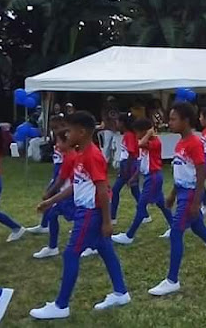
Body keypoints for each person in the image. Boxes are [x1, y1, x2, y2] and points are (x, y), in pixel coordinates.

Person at [30, 111, 131, 320]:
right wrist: (51, 200)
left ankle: (61, 305)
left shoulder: (92, 156)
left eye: (69, 130)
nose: (66, 135)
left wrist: (106, 220)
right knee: (106, 250)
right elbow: (76, 186)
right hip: (86, 211)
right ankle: (121, 293)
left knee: (70, 254)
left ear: (82, 132)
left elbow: (102, 190)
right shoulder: (80, 154)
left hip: (89, 214)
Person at [148, 102, 206, 297]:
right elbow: (181, 173)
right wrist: (172, 195)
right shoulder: (180, 144)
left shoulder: (194, 143)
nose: (169, 123)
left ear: (186, 121)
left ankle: (172, 280)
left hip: (190, 195)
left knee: (176, 233)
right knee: (198, 228)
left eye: (173, 119)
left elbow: (200, 172)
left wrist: (196, 201)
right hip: (183, 192)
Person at [112, 119, 174, 245]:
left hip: (154, 177)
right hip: (149, 176)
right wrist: (135, 176)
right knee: (161, 204)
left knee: (141, 206)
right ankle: (174, 227)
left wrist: (149, 133)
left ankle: (129, 235)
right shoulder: (146, 142)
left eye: (138, 132)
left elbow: (140, 144)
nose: (136, 135)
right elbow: (141, 160)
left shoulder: (155, 142)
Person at [32, 130, 77, 259]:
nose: (56, 145)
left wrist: (49, 192)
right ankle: (52, 247)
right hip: (67, 192)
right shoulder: (69, 155)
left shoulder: (70, 157)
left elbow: (61, 179)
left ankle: (92, 244)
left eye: (58, 141)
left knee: (79, 218)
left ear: (67, 142)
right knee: (52, 214)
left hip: (69, 193)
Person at [27, 115, 67, 234]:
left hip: (62, 176)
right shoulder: (56, 139)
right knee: (50, 200)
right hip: (57, 174)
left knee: (55, 202)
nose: (54, 131)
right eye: (52, 128)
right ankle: (44, 224)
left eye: (56, 128)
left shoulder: (66, 141)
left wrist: (56, 180)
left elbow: (64, 164)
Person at [109, 113, 143, 223]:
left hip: (128, 165)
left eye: (118, 121)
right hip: (129, 164)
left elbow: (131, 153)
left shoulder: (129, 135)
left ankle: (112, 216)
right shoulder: (130, 134)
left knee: (115, 190)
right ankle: (144, 214)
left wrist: (126, 170)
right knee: (135, 191)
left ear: (123, 123)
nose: (116, 124)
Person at [99, 96, 120, 164]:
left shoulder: (116, 109)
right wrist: (111, 128)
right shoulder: (105, 110)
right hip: (108, 129)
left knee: (117, 145)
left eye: (113, 101)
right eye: (110, 101)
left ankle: (116, 160)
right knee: (107, 145)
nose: (112, 103)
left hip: (116, 129)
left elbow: (118, 118)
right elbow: (105, 120)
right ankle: (104, 160)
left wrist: (117, 127)